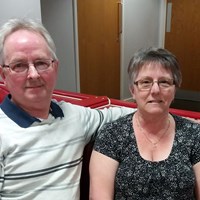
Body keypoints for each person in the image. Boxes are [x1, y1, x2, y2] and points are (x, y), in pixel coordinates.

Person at [0, 18, 136, 200]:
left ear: (55, 67)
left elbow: (120, 114)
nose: (33, 74)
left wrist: (177, 121)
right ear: (3, 75)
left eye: (41, 63)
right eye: (19, 65)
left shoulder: (76, 117)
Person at [89, 47, 200, 199]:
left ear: (174, 90)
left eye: (164, 82)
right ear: (132, 91)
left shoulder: (194, 135)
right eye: (146, 82)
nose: (155, 90)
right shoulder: (112, 135)